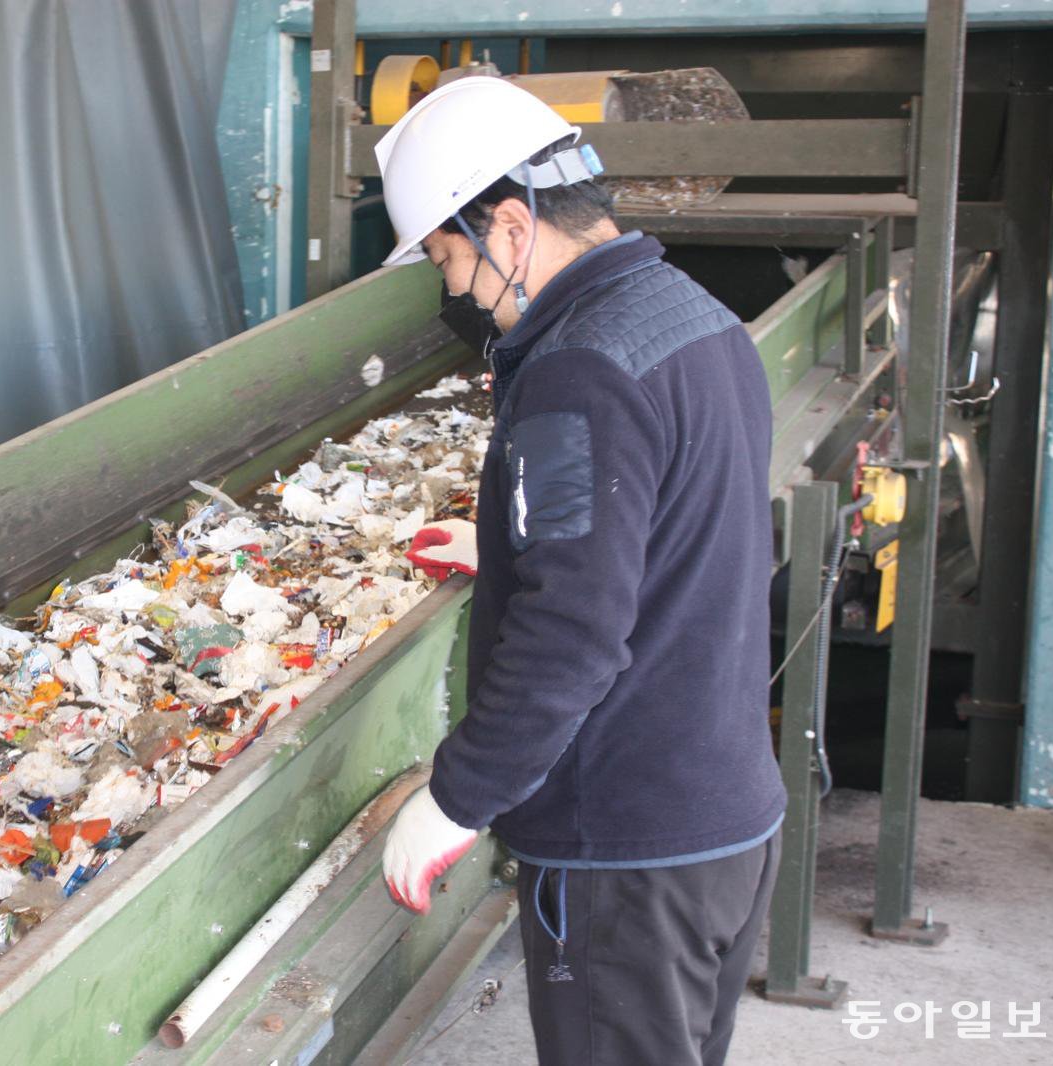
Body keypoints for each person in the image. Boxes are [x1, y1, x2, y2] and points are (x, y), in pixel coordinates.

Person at [378, 77, 787, 1066]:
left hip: (625, 853)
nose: (454, 291)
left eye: (449, 257)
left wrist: (454, 798)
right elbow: (689, 516)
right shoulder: (695, 317)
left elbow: (570, 639)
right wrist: (515, 547)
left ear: (509, 226)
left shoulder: (576, 367)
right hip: (725, 822)